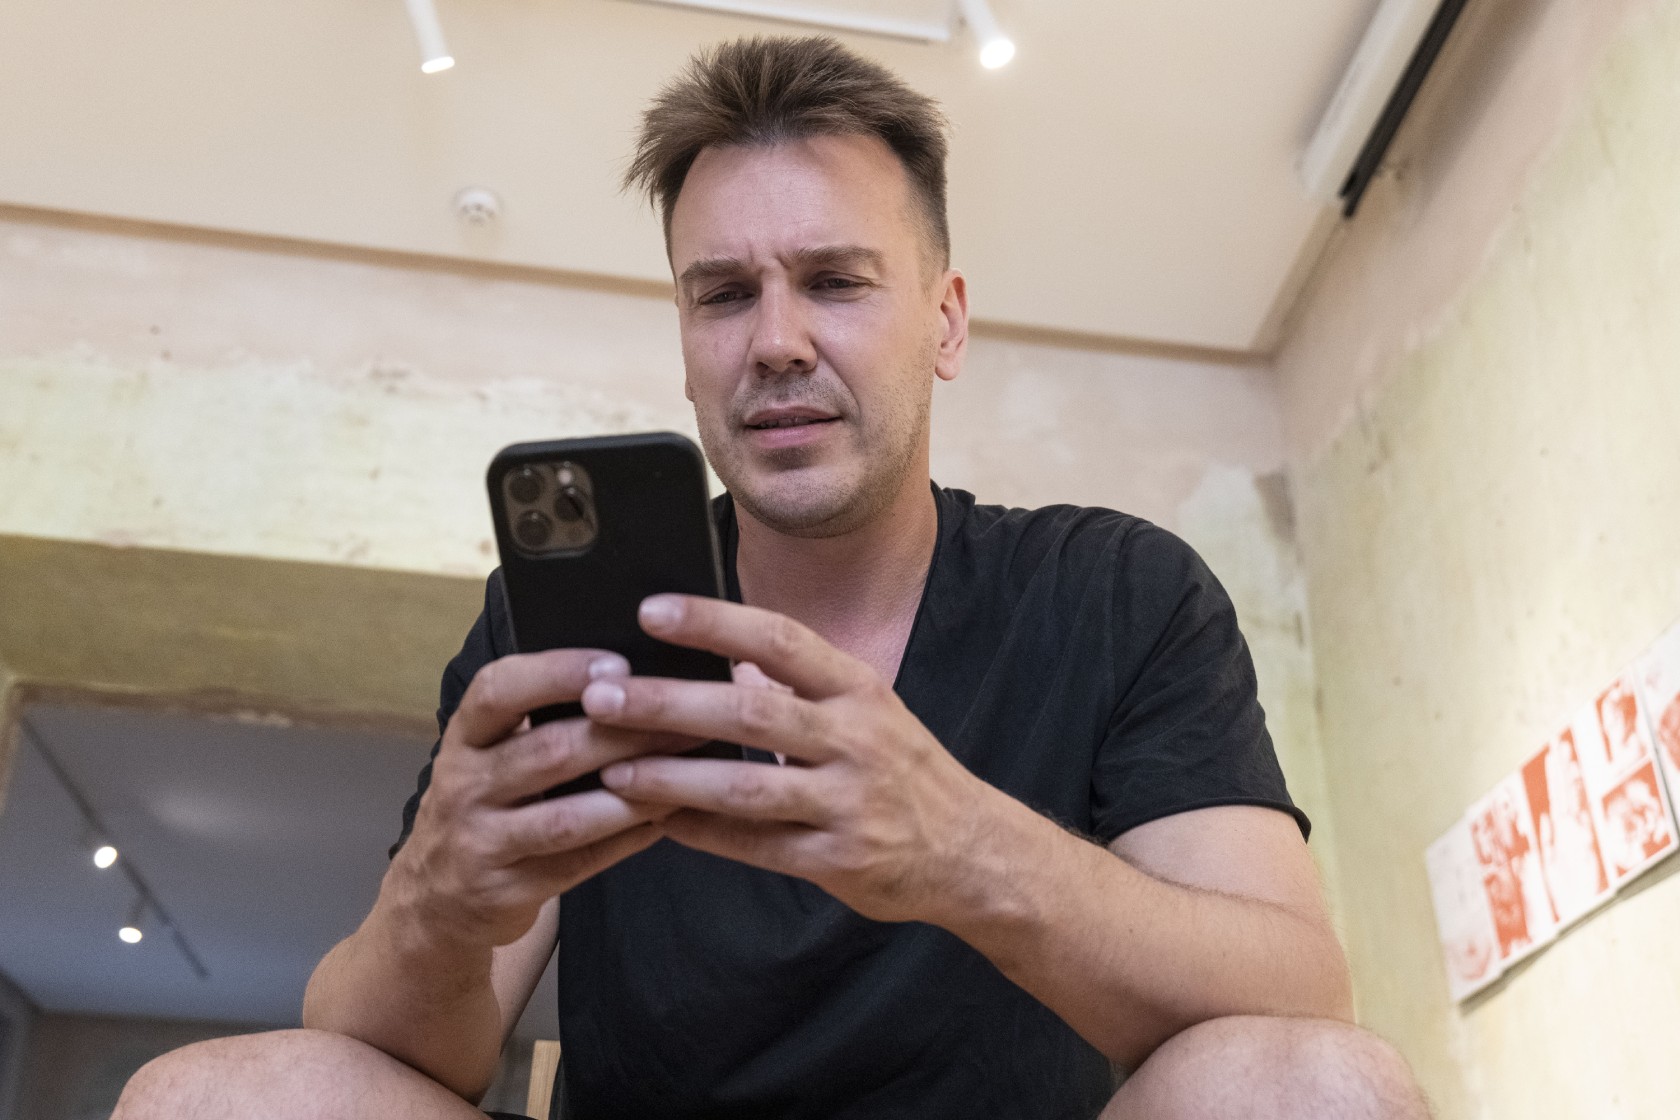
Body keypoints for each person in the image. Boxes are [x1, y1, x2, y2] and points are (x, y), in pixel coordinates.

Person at [115, 35, 1429, 1120]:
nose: (777, 342)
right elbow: (390, 1049)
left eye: (835, 281)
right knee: (211, 1100)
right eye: (724, 294)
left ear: (945, 320)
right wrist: (434, 909)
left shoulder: (1113, 592)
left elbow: (1296, 995)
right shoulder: (564, 628)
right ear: (686, 342)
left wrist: (960, 848)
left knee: (1317, 1089)